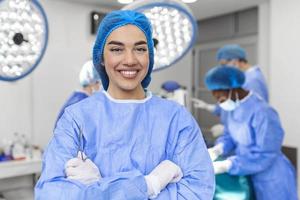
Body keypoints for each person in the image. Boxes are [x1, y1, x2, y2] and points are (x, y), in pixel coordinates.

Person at [35, 10, 214, 200]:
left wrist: (97, 189)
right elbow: (51, 194)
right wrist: (149, 184)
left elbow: (197, 192)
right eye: (116, 49)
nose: (130, 60)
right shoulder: (77, 119)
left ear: (149, 56)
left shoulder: (176, 119)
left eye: (140, 49)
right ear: (101, 58)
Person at [205, 65, 297, 200]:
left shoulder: (263, 112)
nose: (220, 103)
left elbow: (266, 154)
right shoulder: (234, 108)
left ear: (233, 89)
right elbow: (230, 135)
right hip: (249, 171)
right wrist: (218, 149)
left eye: (221, 98)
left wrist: (228, 165)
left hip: (272, 178)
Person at [54, 60, 101, 128]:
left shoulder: (77, 98)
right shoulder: (82, 102)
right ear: (92, 81)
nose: (101, 86)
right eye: (99, 82)